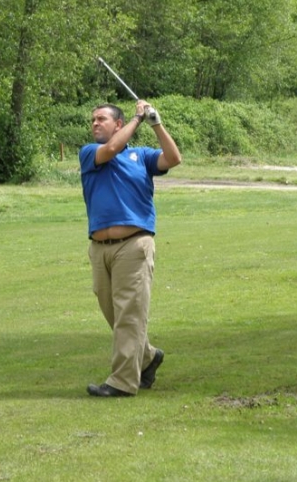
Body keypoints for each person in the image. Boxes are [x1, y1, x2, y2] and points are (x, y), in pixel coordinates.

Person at [79, 100, 182, 397]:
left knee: (129, 314)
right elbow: (110, 150)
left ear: (118, 124)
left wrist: (155, 123)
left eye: (102, 119)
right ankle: (148, 356)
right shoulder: (90, 153)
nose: (95, 123)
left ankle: (122, 382)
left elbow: (173, 158)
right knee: (113, 311)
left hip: (134, 245)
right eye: (93, 120)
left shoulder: (142, 156)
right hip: (99, 248)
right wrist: (138, 118)